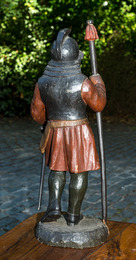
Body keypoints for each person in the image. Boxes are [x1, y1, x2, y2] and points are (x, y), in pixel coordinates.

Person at [31, 28, 106, 226]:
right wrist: (98, 84)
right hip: (79, 132)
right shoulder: (83, 82)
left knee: (57, 170)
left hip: (55, 130)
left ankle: (54, 206)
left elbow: (37, 113)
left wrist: (49, 121)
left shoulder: (42, 82)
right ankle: (73, 215)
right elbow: (98, 104)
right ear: (74, 56)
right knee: (78, 172)